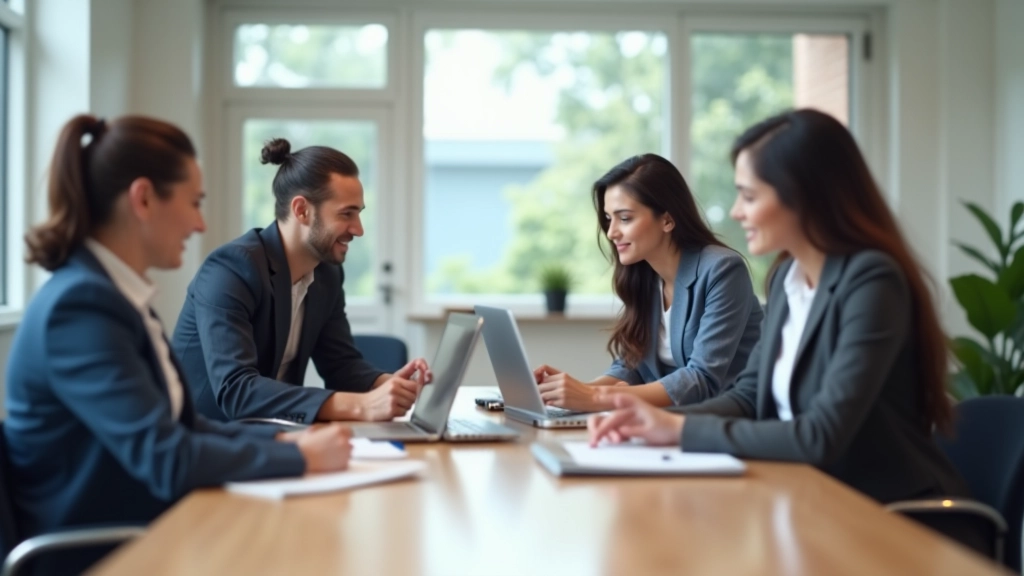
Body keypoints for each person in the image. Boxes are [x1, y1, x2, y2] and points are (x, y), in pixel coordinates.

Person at [4, 115, 353, 574]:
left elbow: (186, 426)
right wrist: (295, 454)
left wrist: (288, 437)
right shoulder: (82, 307)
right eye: (194, 202)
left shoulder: (118, 297)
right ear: (144, 199)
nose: (199, 222)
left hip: (152, 523)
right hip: (105, 550)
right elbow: (164, 455)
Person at [589, 110, 968, 504]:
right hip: (809, 495)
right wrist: (656, 422)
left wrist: (678, 431)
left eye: (749, 196)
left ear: (803, 196)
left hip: (889, 510)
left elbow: (821, 435)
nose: (736, 211)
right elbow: (749, 397)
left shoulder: (872, 282)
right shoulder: (787, 280)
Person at [172, 138, 431, 424]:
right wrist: (361, 406)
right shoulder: (230, 269)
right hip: (208, 442)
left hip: (276, 435)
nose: (358, 229)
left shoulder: (327, 273)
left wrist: (387, 385)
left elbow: (340, 364)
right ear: (301, 210)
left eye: (359, 214)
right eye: (347, 213)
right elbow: (237, 390)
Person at [532, 154, 763, 411]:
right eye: (609, 218)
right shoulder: (644, 275)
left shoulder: (722, 270)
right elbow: (631, 367)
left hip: (725, 424)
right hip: (663, 423)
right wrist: (573, 393)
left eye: (625, 218)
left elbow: (702, 378)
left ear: (667, 219)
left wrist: (593, 397)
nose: (611, 232)